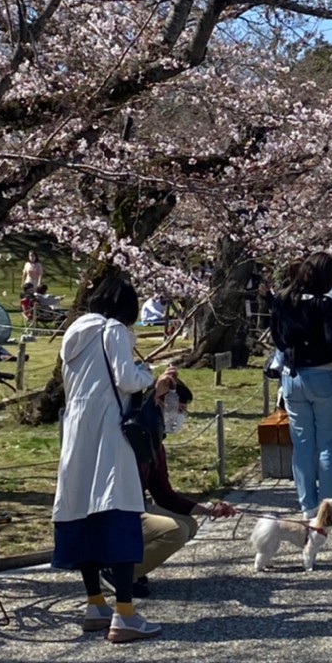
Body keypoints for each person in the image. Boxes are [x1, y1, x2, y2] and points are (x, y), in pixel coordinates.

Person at [52, 273, 163, 642]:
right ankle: (125, 614)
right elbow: (126, 379)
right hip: (108, 430)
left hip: (75, 429)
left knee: (81, 510)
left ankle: (94, 603)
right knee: (116, 512)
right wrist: (151, 377)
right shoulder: (114, 330)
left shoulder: (72, 333)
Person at [130, 375, 236, 595]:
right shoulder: (133, 436)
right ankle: (121, 572)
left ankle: (134, 567)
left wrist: (208, 510)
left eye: (183, 411)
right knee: (176, 531)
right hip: (118, 512)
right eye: (177, 409)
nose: (180, 416)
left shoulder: (156, 444)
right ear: (159, 402)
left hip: (137, 509)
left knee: (188, 524)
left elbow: (165, 496)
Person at [271, 252, 332, 518]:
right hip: (324, 375)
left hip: (293, 377)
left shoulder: (282, 301)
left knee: (302, 445)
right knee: (328, 444)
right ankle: (328, 505)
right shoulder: (324, 304)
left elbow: (277, 340)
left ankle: (307, 506)